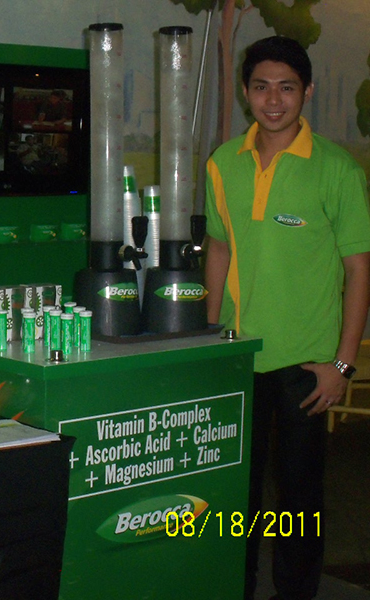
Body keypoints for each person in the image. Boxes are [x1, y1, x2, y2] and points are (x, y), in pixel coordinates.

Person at [204, 36, 370, 600]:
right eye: (261, 87)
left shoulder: (337, 169)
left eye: (287, 88)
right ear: (245, 92)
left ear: (307, 92)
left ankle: (295, 592)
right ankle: (237, 586)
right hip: (237, 354)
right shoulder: (223, 162)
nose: (273, 100)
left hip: (307, 364)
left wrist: (341, 365)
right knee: (237, 491)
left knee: (299, 498)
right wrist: (212, 339)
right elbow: (219, 249)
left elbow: (359, 269)